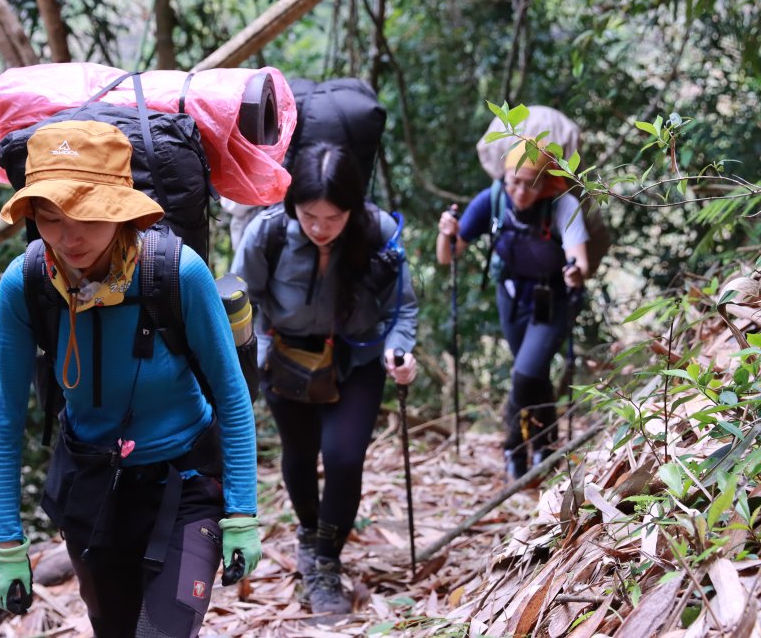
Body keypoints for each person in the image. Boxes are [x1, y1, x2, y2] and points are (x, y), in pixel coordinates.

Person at [0, 119, 261, 638]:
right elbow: (4, 419)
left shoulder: (177, 273)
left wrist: (242, 511)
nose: (68, 238)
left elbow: (232, 394)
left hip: (186, 483)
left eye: (87, 216)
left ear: (120, 209)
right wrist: (7, 543)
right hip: (93, 488)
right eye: (49, 218)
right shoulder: (26, 286)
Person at [231, 142, 418, 615]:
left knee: (343, 457)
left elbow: (403, 308)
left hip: (356, 360)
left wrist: (400, 350)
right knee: (299, 453)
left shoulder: (377, 232)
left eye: (333, 217)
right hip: (285, 357)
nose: (319, 228)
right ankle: (310, 531)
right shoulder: (268, 233)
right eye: (309, 215)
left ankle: (326, 563)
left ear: (352, 208)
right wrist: (255, 354)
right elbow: (240, 298)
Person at [435, 143, 589, 480]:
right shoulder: (492, 200)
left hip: (553, 300)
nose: (519, 191)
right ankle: (545, 446)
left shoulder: (562, 204)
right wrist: (446, 233)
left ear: (546, 183)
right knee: (534, 375)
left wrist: (575, 273)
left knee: (524, 374)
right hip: (512, 297)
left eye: (530, 184)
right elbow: (448, 255)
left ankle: (513, 446)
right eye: (513, 182)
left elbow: (580, 260)